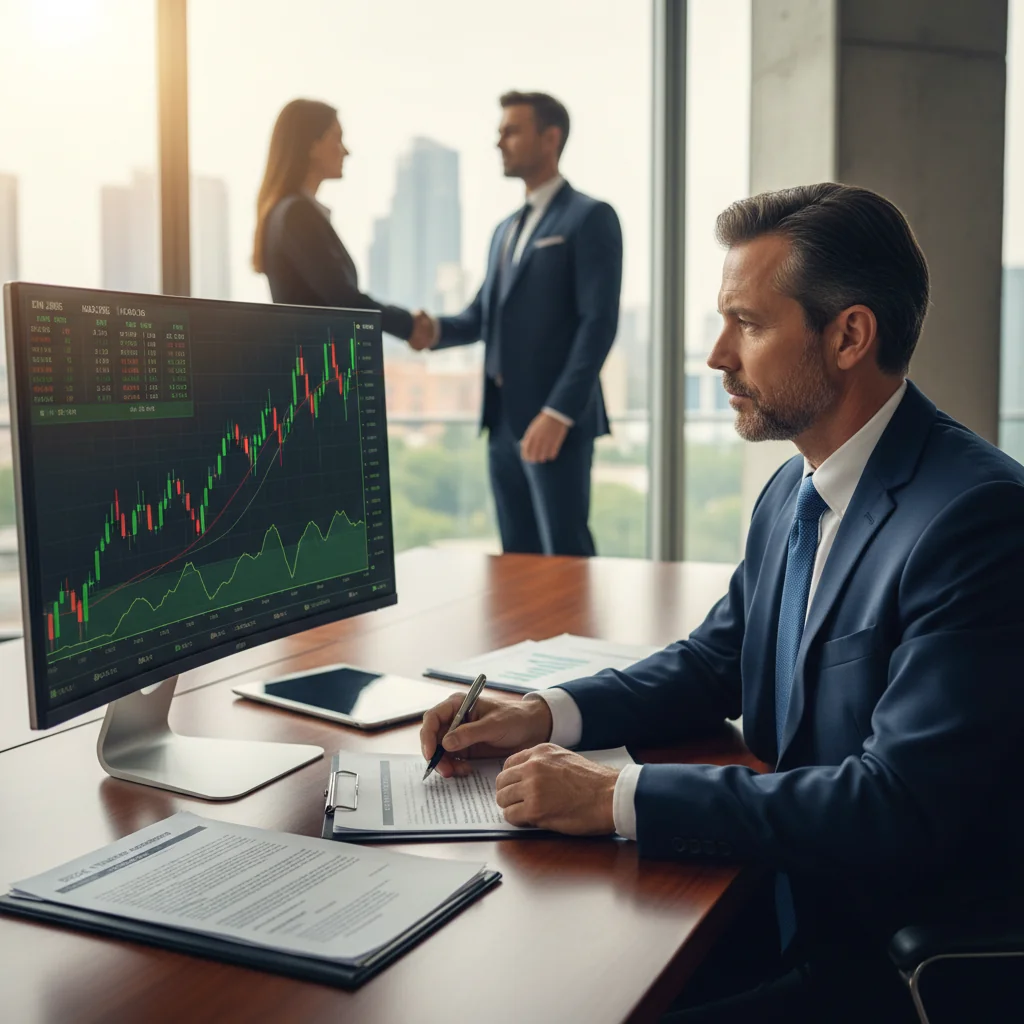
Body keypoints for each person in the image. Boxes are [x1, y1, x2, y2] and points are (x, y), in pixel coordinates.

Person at [419, 183, 1024, 1022]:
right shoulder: (792, 491)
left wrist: (613, 797)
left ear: (849, 335)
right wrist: (542, 714)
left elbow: (897, 805)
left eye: (747, 323)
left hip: (879, 958)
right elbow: (716, 662)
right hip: (771, 895)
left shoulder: (974, 517)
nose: (716, 356)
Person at [410, 91, 623, 557]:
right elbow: (480, 317)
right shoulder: (504, 230)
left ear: (550, 138)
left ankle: (579, 635)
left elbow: (598, 323)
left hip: (555, 424)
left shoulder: (590, 217)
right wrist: (430, 331)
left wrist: (558, 414)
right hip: (502, 422)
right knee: (516, 559)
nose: (499, 142)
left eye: (511, 131)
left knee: (566, 557)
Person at [253, 98, 433, 347]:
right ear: (311, 145)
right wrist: (408, 325)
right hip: (315, 369)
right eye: (336, 138)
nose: (345, 151)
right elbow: (342, 298)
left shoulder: (287, 210)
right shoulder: (296, 214)